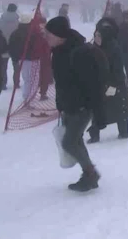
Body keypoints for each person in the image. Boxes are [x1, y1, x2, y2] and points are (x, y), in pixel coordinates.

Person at [43, 16, 104, 192]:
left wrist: (94, 110)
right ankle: (89, 174)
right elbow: (62, 83)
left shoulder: (78, 53)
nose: (46, 38)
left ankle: (91, 173)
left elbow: (91, 83)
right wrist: (61, 105)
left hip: (81, 106)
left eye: (49, 34)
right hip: (69, 105)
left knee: (69, 142)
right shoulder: (59, 51)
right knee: (75, 140)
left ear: (59, 35)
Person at [88, 18, 128, 143]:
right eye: (95, 35)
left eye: (98, 35)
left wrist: (113, 84)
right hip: (99, 84)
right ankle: (94, 135)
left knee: (119, 108)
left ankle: (123, 132)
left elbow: (118, 68)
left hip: (115, 83)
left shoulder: (114, 48)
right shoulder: (94, 49)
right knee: (97, 110)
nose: (96, 38)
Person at [9, 14, 52, 102]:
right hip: (33, 59)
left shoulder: (15, 33)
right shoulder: (34, 32)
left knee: (26, 79)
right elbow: (40, 45)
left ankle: (27, 96)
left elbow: (11, 46)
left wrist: (15, 58)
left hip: (22, 59)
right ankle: (29, 97)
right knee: (33, 79)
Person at [0, 4, 20, 92]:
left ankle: (3, 84)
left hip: (3, 47)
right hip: (15, 48)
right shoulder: (18, 22)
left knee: (3, 67)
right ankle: (16, 83)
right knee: (16, 67)